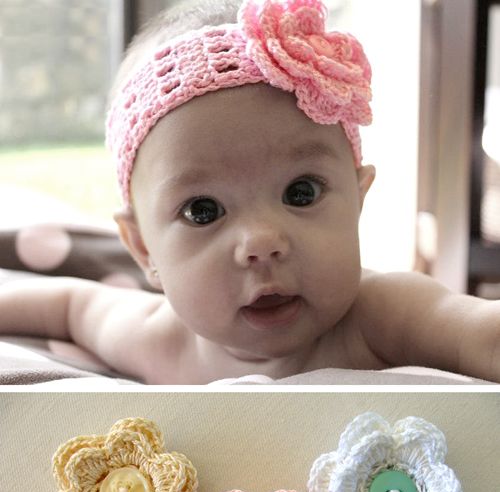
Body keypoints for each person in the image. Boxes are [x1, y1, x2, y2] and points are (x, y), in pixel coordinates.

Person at [1, 0, 499, 384]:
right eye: (203, 211)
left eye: (301, 192)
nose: (262, 241)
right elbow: (68, 306)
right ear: (142, 246)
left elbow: (481, 334)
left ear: (358, 199)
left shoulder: (383, 315)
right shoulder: (156, 338)